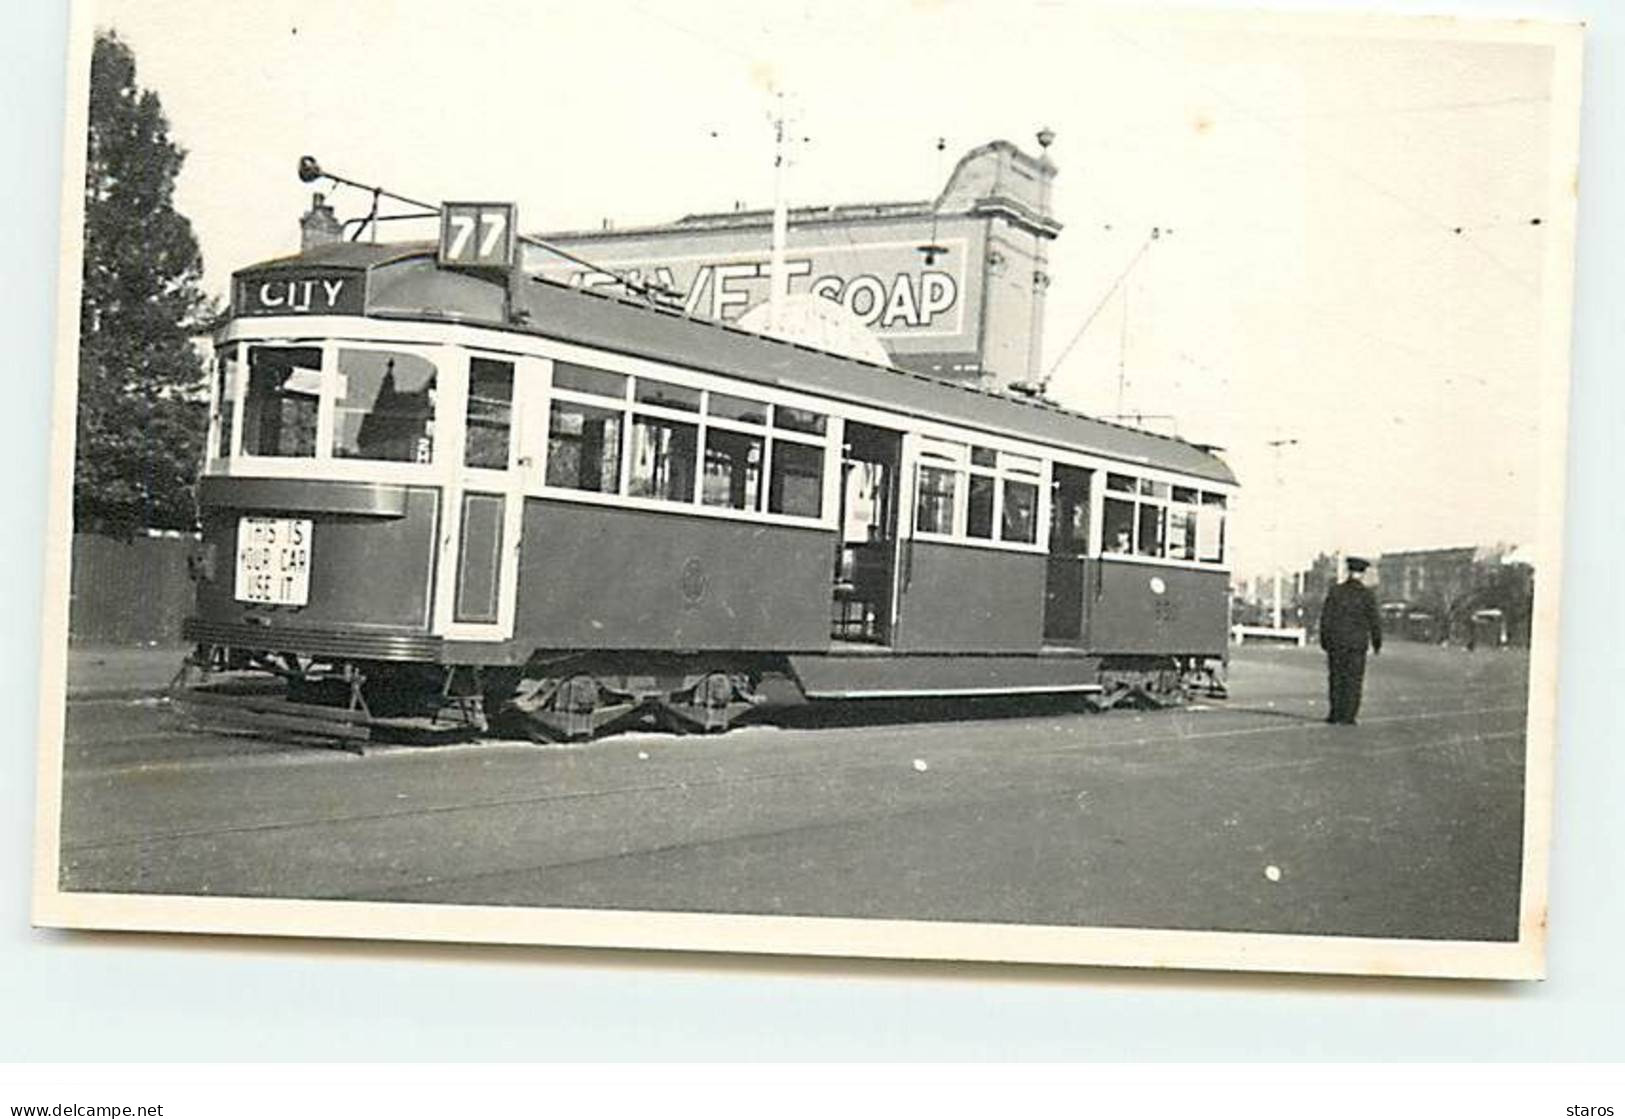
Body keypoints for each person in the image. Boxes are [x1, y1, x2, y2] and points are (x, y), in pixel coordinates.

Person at [1319, 556, 1383, 725]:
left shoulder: (1336, 591)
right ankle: (1348, 715)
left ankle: (1334, 713)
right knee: (1353, 680)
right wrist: (1377, 643)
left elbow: (1326, 618)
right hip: (1356, 645)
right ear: (1362, 574)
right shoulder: (1367, 595)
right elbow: (1374, 621)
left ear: (1348, 571)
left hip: (1336, 643)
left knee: (1336, 678)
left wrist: (1324, 640)